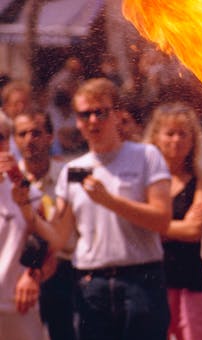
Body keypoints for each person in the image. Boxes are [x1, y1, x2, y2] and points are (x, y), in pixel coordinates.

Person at [14, 78, 173, 340]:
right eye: (84, 114)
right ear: (76, 121)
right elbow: (58, 238)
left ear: (117, 115)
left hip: (140, 281)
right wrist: (26, 210)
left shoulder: (146, 156)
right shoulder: (73, 170)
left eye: (100, 112)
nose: (92, 121)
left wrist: (110, 201)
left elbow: (162, 220)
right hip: (91, 286)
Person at [144, 102, 202, 340]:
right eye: (169, 133)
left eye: (183, 134)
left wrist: (155, 223)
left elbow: (195, 229)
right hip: (153, 281)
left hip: (190, 280)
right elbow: (137, 224)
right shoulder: (146, 181)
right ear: (156, 138)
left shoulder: (200, 182)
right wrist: (174, 226)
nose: (176, 140)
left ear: (193, 140)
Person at [13, 111, 76, 340]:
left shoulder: (67, 177)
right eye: (22, 134)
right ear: (15, 139)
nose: (30, 139)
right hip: (18, 275)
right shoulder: (7, 180)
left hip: (64, 272)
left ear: (50, 136)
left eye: (36, 132)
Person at [0, 111, 46, 340]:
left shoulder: (25, 190)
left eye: (0, 137)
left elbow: (44, 238)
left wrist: (32, 273)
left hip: (16, 306)